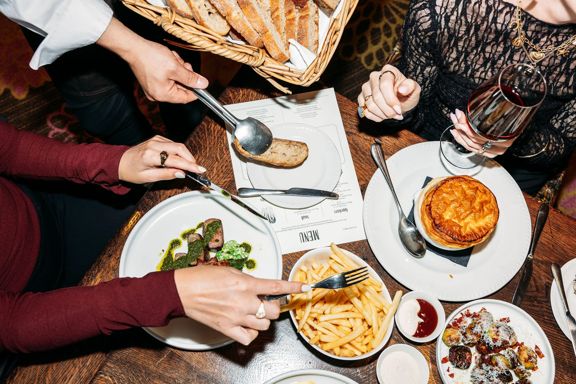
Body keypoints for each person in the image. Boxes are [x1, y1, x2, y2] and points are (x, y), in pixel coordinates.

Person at [0, 121, 305, 371]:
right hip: (30, 323)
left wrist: (113, 161)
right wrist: (167, 294)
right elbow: (11, 328)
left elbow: (9, 148)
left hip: (41, 205)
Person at [358, 0, 576, 195]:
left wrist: (519, 138)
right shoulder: (446, 6)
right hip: (435, 140)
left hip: (517, 169)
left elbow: (560, 147)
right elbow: (416, 98)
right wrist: (402, 103)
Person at [0, 0, 209, 144]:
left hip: (155, 9)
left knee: (183, 93)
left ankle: (197, 143)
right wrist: (133, 47)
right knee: (112, 117)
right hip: (64, 18)